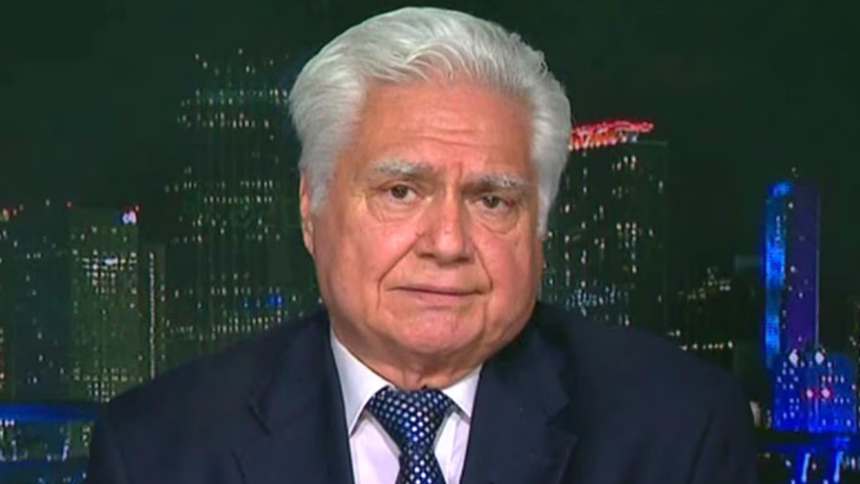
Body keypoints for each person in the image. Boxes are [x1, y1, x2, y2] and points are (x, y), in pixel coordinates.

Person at [87, 7, 758, 484]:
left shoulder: (679, 433)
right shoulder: (157, 448)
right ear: (312, 208)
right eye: (401, 192)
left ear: (540, 228)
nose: (447, 243)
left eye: (492, 201)